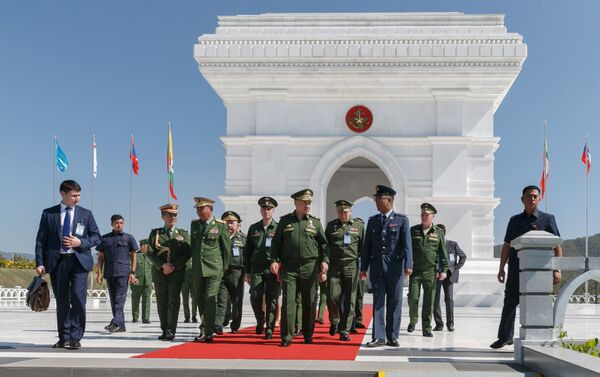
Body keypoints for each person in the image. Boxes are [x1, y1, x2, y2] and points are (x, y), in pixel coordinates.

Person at [490, 185, 562, 349]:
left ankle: (538, 339)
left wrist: (557, 269)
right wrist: (501, 268)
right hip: (516, 269)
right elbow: (507, 245)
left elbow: (557, 244)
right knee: (509, 303)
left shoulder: (548, 219)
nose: (532, 199)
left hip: (539, 272)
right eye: (529, 196)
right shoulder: (514, 220)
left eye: (535, 196)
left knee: (537, 302)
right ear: (522, 199)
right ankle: (505, 337)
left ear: (540, 198)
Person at [34, 179, 101, 350]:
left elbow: (96, 237)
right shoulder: (48, 214)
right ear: (63, 194)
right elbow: (41, 240)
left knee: (78, 299)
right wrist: (40, 263)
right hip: (58, 262)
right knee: (62, 301)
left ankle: (75, 337)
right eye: (73, 195)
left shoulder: (86, 214)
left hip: (79, 262)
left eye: (79, 195)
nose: (77, 199)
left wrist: (81, 242)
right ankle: (64, 337)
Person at [269, 189, 329, 347]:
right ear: (296, 203)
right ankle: (286, 337)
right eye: (305, 202)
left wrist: (325, 261)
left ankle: (308, 334)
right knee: (289, 302)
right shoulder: (285, 222)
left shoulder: (315, 223)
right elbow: (276, 244)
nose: (308, 205)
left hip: (310, 267)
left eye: (309, 202)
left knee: (309, 302)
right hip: (289, 267)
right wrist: (274, 260)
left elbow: (324, 245)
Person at [360, 185, 412, 348]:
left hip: (395, 268)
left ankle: (392, 336)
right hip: (376, 268)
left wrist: (408, 264)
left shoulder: (401, 220)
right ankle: (378, 337)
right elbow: (366, 246)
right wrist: (363, 268)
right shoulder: (373, 221)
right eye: (376, 198)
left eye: (379, 198)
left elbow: (407, 244)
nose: (376, 201)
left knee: (395, 302)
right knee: (378, 302)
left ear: (389, 200)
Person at [147, 203, 191, 341]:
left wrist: (173, 266)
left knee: (174, 301)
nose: (173, 217)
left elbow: (187, 253)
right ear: (163, 216)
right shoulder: (156, 234)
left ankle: (171, 330)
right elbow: (149, 252)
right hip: (160, 273)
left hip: (176, 273)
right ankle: (164, 329)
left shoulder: (182, 234)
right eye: (170, 215)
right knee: (162, 303)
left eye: (175, 215)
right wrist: (162, 265)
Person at [190, 197, 231, 343]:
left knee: (210, 298)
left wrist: (224, 268)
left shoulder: (220, 225)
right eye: (197, 209)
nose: (198, 212)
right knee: (200, 299)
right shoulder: (195, 225)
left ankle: (208, 331)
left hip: (214, 268)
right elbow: (194, 247)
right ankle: (203, 329)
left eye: (201, 209)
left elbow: (226, 249)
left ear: (210, 209)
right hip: (198, 269)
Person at [325, 200, 365, 341]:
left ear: (351, 211)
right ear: (337, 212)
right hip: (334, 266)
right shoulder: (331, 226)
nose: (343, 214)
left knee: (350, 300)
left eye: (346, 211)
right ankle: (335, 319)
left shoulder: (358, 226)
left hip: (351, 265)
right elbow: (326, 246)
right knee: (331, 296)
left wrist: (362, 267)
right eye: (340, 211)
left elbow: (362, 248)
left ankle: (344, 330)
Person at [407, 203, 448, 337]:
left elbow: (443, 252)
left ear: (433, 216)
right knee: (413, 297)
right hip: (416, 271)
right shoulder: (413, 231)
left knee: (429, 300)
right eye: (422, 214)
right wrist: (406, 266)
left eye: (427, 215)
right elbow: (407, 250)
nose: (424, 217)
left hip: (430, 271)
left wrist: (444, 269)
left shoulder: (438, 232)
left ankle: (427, 327)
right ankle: (413, 320)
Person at [244, 197, 280, 339]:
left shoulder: (278, 228)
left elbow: (282, 249)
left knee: (272, 298)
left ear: (273, 210)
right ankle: (260, 320)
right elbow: (247, 251)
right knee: (255, 295)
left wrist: (278, 263)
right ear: (261, 210)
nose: (267, 211)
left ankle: (270, 327)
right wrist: (247, 271)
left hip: (272, 269)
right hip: (257, 268)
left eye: (269, 208)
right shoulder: (254, 228)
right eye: (264, 208)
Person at [96, 214, 139, 333]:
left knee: (120, 299)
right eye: (116, 223)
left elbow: (134, 256)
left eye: (121, 223)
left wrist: (133, 272)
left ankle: (114, 323)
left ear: (123, 224)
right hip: (109, 272)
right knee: (114, 300)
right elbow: (100, 257)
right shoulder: (105, 239)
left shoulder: (128, 238)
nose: (119, 225)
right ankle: (121, 325)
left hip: (123, 273)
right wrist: (99, 273)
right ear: (112, 224)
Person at [215, 211, 246, 334]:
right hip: (222, 272)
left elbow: (247, 257)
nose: (229, 225)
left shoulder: (243, 239)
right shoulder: (219, 237)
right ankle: (218, 324)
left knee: (236, 301)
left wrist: (246, 273)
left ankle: (235, 325)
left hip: (236, 273)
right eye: (226, 222)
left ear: (237, 224)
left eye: (232, 223)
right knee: (222, 299)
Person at [433, 224, 467, 332]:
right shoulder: (433, 244)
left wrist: (454, 268)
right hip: (436, 275)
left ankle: (450, 324)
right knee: (435, 300)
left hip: (449, 276)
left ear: (443, 232)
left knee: (449, 300)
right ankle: (439, 324)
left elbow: (463, 256)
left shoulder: (452, 244)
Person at [131, 239, 153, 324]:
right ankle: (135, 317)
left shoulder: (151, 256)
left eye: (147, 245)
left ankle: (146, 318)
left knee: (147, 300)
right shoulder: (136, 255)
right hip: (137, 281)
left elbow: (153, 270)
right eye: (144, 245)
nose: (146, 247)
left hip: (148, 281)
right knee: (135, 300)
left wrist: (153, 281)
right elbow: (131, 266)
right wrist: (133, 277)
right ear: (141, 246)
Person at [181, 258, 198, 323]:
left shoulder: (195, 253)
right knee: (185, 299)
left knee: (195, 298)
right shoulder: (184, 253)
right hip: (184, 279)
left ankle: (194, 315)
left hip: (194, 278)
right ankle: (187, 316)